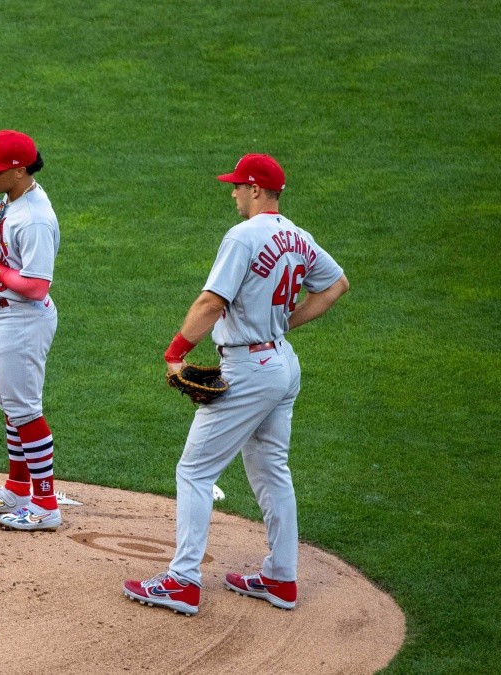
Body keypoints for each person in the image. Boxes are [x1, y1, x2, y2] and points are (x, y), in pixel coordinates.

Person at [124, 153, 349, 615]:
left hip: (249, 369)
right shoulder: (299, 237)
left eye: (237, 186)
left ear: (257, 190)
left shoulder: (243, 236)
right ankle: (281, 578)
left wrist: (175, 353)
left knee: (194, 471)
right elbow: (336, 285)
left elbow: (210, 302)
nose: (232, 193)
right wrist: (283, 324)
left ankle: (182, 582)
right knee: (272, 471)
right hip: (282, 364)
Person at [0, 130, 63, 531]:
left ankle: (45, 504)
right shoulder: (12, 199)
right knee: (11, 409)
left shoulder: (35, 218)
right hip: (0, 316)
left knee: (26, 410)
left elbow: (37, 287)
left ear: (19, 170)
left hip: (21, 319)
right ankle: (18, 488)